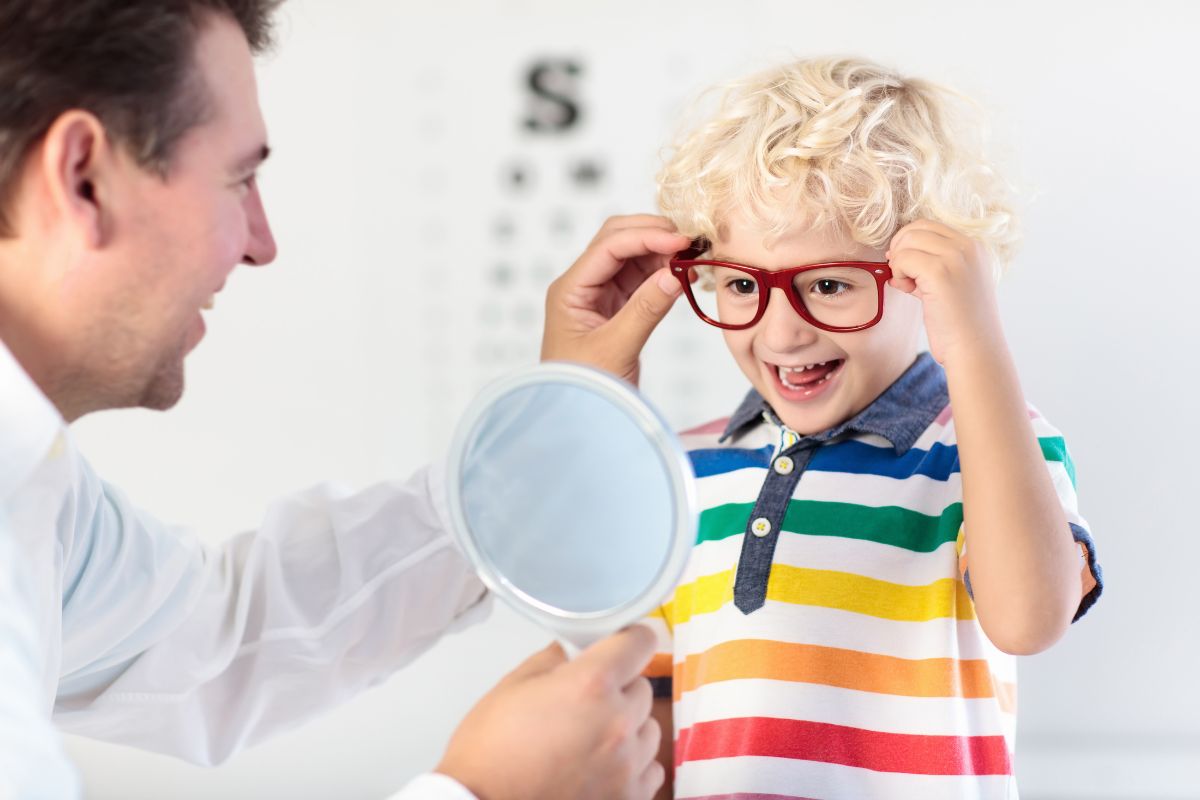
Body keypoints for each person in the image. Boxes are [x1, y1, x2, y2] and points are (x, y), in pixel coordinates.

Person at [0, 1, 692, 798]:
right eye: (239, 178)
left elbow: (217, 638)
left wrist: (548, 444)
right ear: (83, 176)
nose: (262, 242)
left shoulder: (31, 487)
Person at [635, 57, 1105, 799]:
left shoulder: (985, 446)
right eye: (741, 285)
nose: (782, 335)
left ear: (929, 279)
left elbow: (1031, 621)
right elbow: (652, 717)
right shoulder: (685, 465)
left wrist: (975, 343)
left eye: (828, 284)